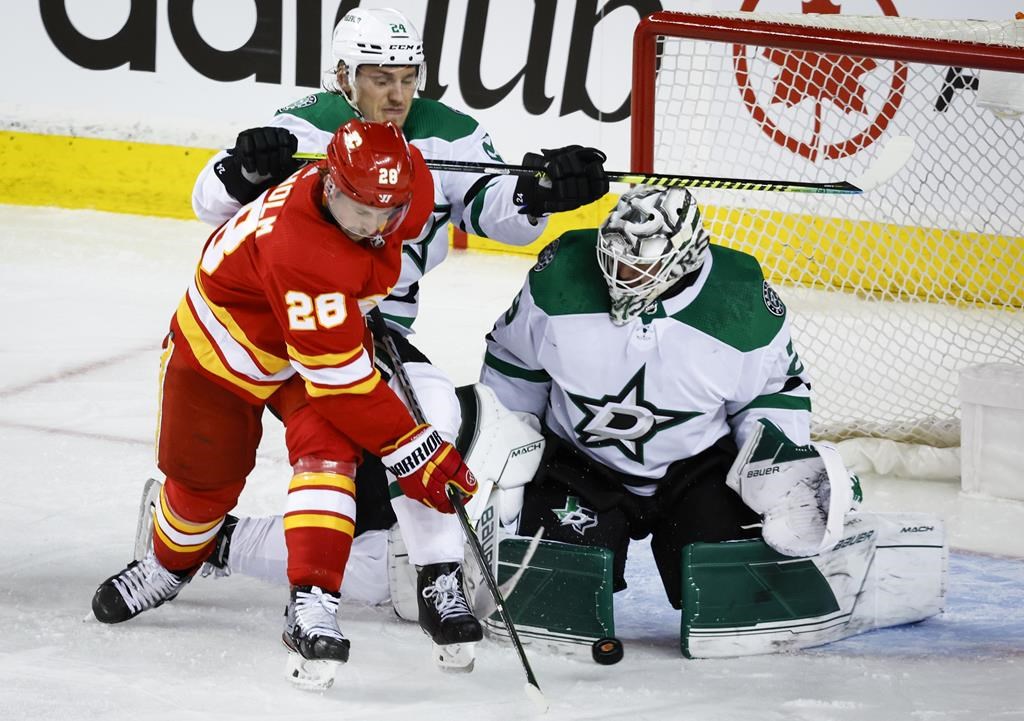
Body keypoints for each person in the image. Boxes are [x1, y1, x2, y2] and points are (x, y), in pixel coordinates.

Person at [180, 186, 845, 619]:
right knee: (511, 594)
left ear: (683, 261)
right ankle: (218, 538)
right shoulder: (561, 282)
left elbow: (776, 391)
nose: (618, 279)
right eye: (614, 262)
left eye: (638, 270)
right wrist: (497, 464)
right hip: (578, 468)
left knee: (734, 600)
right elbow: (512, 373)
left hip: (695, 470)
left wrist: (777, 464)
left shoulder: (740, 306)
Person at [187, 5, 608, 666]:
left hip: (377, 329)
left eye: (406, 76)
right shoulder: (300, 126)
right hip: (290, 329)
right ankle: (235, 551)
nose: (395, 93)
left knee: (413, 454)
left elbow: (502, 212)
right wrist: (243, 170)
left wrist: (542, 193)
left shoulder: (449, 135)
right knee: (356, 465)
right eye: (378, 77)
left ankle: (431, 578)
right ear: (342, 76)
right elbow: (210, 202)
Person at [91, 119, 479, 687]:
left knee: (330, 454)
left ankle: (311, 601)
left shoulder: (404, 186)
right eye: (360, 211)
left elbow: (337, 362)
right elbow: (343, 386)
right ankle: (168, 565)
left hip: (312, 345)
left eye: (386, 214)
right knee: (203, 490)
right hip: (221, 356)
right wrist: (415, 452)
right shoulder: (301, 249)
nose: (374, 227)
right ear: (327, 185)